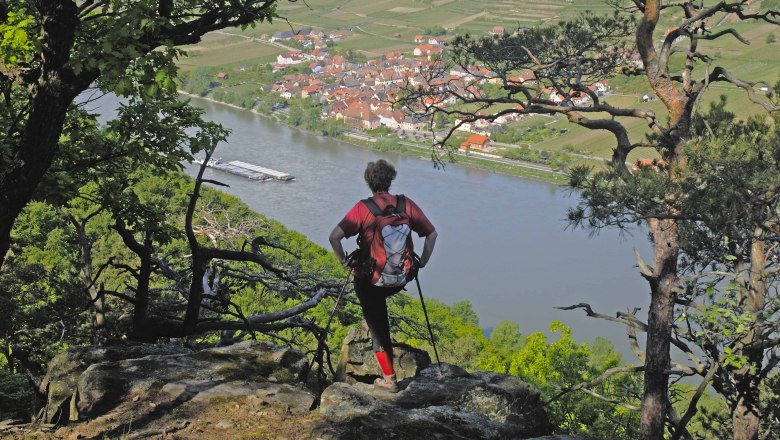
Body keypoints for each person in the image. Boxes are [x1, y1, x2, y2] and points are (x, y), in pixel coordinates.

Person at [329, 159, 437, 392]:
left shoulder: (363, 208)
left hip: (372, 282)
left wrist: (343, 261)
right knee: (377, 302)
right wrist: (423, 262)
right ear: (390, 180)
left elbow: (334, 237)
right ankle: (372, 320)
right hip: (400, 279)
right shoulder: (406, 204)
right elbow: (432, 234)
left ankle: (389, 379)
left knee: (376, 317)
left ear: (368, 182)